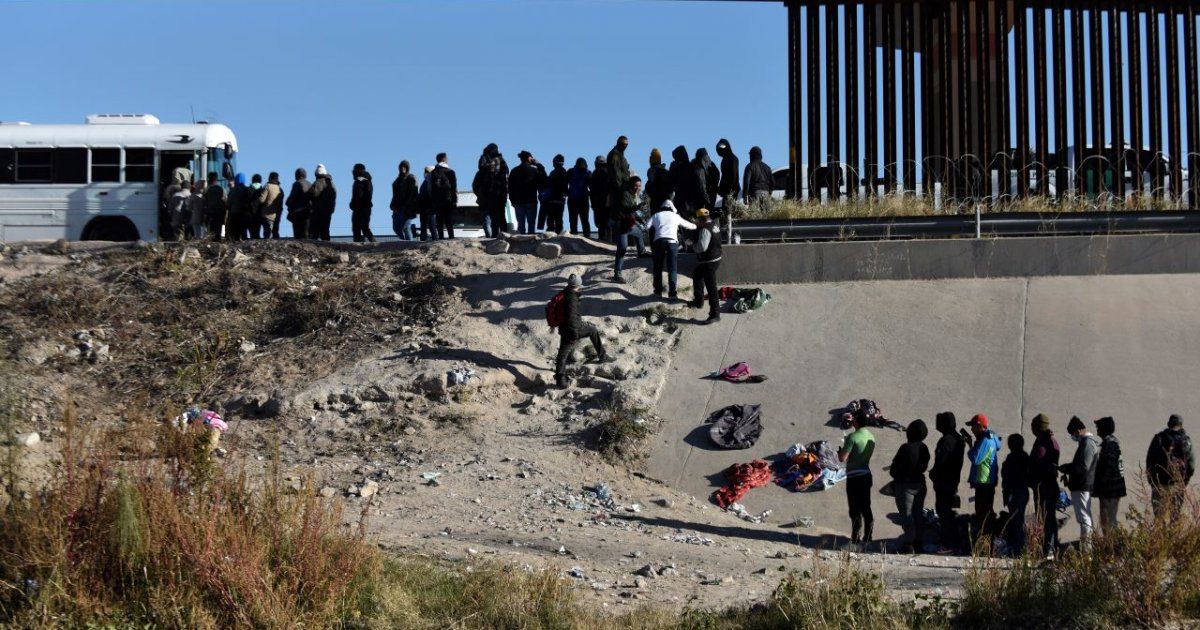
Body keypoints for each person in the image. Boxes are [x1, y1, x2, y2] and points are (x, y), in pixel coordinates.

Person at [552, 273, 609, 388]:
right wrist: (575, 334)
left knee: (562, 354)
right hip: (572, 329)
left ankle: (560, 381)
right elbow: (572, 318)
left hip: (563, 328)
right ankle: (602, 356)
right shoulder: (571, 298)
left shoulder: (564, 293)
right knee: (593, 330)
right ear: (578, 285)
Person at [889, 419, 930, 554]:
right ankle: (918, 543)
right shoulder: (924, 448)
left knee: (907, 516)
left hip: (905, 485)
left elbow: (894, 469)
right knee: (918, 514)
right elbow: (924, 466)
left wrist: (898, 476)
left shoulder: (905, 448)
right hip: (920, 484)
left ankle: (908, 545)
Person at [1059, 416, 1100, 546]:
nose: (1073, 437)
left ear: (1078, 430)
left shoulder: (1087, 443)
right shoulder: (1085, 442)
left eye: (1073, 434)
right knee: (1084, 517)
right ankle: (1087, 547)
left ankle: (1087, 548)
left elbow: (1083, 466)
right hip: (1081, 485)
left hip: (1082, 485)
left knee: (1084, 518)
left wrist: (1068, 468)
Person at [1147, 414, 1195, 519]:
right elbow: (1191, 466)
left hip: (1160, 485)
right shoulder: (1187, 441)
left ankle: (1161, 535)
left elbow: (1149, 462)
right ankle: (1172, 535)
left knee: (1160, 519)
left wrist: (1153, 483)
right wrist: (1183, 482)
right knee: (1175, 518)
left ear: (1168, 424)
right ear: (1181, 425)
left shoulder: (1159, 438)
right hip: (1177, 485)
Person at [839, 410, 876, 547]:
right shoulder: (871, 437)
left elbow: (843, 458)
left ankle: (855, 540)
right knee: (866, 507)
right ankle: (868, 537)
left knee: (854, 509)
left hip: (854, 477)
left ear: (856, 422)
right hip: (866, 474)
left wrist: (840, 452)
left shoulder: (852, 437)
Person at [930, 411, 966, 552]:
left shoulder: (946, 440)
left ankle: (947, 544)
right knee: (947, 511)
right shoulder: (958, 439)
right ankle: (951, 540)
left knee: (943, 511)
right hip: (952, 480)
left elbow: (941, 461)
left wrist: (933, 473)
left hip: (944, 482)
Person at [648, 200, 696, 300]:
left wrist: (656, 228)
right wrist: (697, 225)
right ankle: (672, 294)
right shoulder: (675, 216)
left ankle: (657, 292)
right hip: (672, 243)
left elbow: (646, 226)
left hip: (659, 242)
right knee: (672, 268)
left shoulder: (656, 215)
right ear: (672, 208)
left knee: (658, 268)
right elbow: (688, 225)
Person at [1029, 413, 1061, 559]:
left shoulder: (1042, 443)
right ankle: (1053, 549)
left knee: (1046, 519)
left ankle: (1048, 550)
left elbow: (1038, 464)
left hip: (1044, 487)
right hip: (1048, 486)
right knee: (1050, 520)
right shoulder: (1050, 441)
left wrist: (1031, 477)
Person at [965, 414, 1001, 537]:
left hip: (984, 482)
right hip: (986, 482)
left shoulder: (985, 441)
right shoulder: (986, 439)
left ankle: (986, 541)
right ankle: (986, 540)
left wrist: (970, 445)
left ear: (980, 426)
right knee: (985, 512)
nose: (971, 429)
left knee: (983, 513)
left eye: (973, 426)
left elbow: (975, 458)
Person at [1093, 416, 1126, 535]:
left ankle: (1113, 548)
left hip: (1110, 491)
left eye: (1098, 427)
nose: (1097, 430)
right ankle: (1112, 546)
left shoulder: (1110, 445)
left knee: (1108, 521)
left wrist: (1100, 484)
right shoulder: (1111, 443)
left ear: (1104, 429)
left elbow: (1108, 468)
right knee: (1108, 521)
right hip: (1111, 490)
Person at [689, 208, 722, 324]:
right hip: (716, 257)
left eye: (697, 220)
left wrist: (692, 246)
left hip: (709, 262)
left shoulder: (705, 230)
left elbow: (702, 247)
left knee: (711, 287)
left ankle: (715, 314)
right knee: (697, 275)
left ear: (701, 219)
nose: (696, 222)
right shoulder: (714, 225)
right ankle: (699, 301)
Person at [1001, 433, 1031, 556]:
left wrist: (1008, 493)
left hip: (1016, 492)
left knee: (1017, 521)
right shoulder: (1024, 456)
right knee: (1017, 520)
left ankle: (1019, 549)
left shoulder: (1014, 457)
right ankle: (1018, 547)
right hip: (1021, 491)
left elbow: (1008, 476)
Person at [472, 146, 509, 238]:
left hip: (493, 193)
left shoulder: (491, 164)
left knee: (495, 215)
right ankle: (503, 234)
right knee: (500, 215)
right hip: (501, 193)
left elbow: (477, 183)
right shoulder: (503, 163)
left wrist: (482, 192)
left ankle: (495, 235)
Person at [606, 136, 635, 243]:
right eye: (623, 144)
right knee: (618, 215)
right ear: (618, 143)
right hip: (618, 189)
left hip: (622, 188)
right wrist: (621, 188)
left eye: (627, 145)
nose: (625, 146)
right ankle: (617, 241)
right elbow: (615, 173)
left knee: (622, 214)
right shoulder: (615, 155)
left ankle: (622, 240)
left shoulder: (620, 155)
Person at [508, 151, 544, 235]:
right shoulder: (534, 170)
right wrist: (538, 164)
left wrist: (512, 200)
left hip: (518, 201)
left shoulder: (514, 171)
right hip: (531, 200)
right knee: (531, 224)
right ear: (528, 158)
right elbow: (543, 180)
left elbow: (510, 187)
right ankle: (531, 242)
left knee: (521, 225)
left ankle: (520, 243)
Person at [430, 153, 458, 239]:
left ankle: (441, 238)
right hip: (448, 199)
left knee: (439, 220)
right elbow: (454, 187)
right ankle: (451, 237)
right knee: (448, 220)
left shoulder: (433, 173)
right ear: (444, 159)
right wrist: (454, 200)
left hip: (437, 201)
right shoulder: (450, 172)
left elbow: (430, 189)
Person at [391, 161, 420, 240]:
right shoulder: (397, 181)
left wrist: (408, 206)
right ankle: (404, 242)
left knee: (406, 227)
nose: (402, 168)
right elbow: (395, 195)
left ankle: (409, 244)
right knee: (396, 228)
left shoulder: (411, 178)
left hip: (408, 208)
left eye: (404, 167)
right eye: (401, 166)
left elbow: (414, 193)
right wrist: (392, 205)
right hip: (397, 208)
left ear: (407, 168)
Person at [348, 163, 376, 243]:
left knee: (363, 228)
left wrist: (354, 203)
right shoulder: (360, 180)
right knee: (357, 228)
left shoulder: (362, 180)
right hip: (360, 207)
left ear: (358, 170)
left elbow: (360, 195)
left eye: (354, 170)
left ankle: (375, 243)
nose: (353, 172)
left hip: (362, 207)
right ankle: (357, 245)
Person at [308, 164, 336, 241]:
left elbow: (312, 194)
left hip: (318, 210)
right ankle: (327, 248)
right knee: (325, 230)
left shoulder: (318, 182)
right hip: (328, 211)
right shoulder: (332, 184)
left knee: (315, 231)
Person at [541, 154, 568, 233]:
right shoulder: (564, 172)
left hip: (552, 199)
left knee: (551, 218)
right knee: (558, 218)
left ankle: (551, 232)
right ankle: (558, 233)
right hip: (560, 200)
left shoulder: (553, 173)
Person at [566, 157, 591, 237]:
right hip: (583, 199)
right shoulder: (587, 172)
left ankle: (574, 236)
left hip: (572, 199)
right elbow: (592, 186)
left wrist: (567, 192)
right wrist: (589, 193)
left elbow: (564, 183)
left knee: (573, 220)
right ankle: (587, 237)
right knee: (585, 220)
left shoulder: (571, 171)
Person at [286, 168, 312, 239]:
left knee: (298, 235)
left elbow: (292, 197)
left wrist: (287, 203)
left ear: (297, 175)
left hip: (298, 213)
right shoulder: (310, 184)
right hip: (308, 212)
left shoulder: (297, 184)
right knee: (306, 234)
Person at [715, 138, 741, 211]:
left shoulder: (732, 158)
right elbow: (724, 176)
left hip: (731, 190)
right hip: (727, 190)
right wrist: (721, 188)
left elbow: (733, 175)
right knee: (726, 210)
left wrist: (730, 188)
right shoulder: (725, 159)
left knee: (729, 211)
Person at [226, 173, 253, 241]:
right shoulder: (247, 189)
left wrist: (229, 209)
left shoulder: (232, 190)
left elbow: (229, 202)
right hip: (244, 213)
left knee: (235, 232)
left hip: (234, 213)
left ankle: (236, 246)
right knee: (243, 231)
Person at [257, 172, 284, 239]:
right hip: (276, 215)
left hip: (266, 214)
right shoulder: (280, 189)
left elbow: (261, 200)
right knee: (275, 233)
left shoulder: (267, 186)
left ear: (270, 178)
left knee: (267, 234)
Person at [589, 155, 610, 241]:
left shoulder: (595, 173)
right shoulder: (608, 172)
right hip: (606, 200)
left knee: (601, 222)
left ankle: (603, 238)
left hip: (599, 201)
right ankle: (607, 239)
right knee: (606, 222)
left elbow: (592, 189)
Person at [203, 172, 227, 241]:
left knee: (211, 232)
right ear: (216, 179)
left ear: (209, 179)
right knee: (219, 232)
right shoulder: (222, 189)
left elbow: (205, 202)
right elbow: (225, 201)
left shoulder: (207, 190)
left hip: (211, 214)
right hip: (220, 213)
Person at [695, 147, 720, 215]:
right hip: (702, 193)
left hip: (708, 192)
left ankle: (707, 220)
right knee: (703, 211)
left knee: (707, 210)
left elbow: (716, 176)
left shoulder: (711, 165)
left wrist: (712, 186)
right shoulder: (697, 165)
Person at [417, 165, 436, 241]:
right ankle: (422, 242)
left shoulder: (433, 182)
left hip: (430, 208)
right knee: (423, 227)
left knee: (432, 227)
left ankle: (435, 241)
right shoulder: (424, 182)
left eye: (427, 172)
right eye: (425, 171)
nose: (425, 173)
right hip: (423, 208)